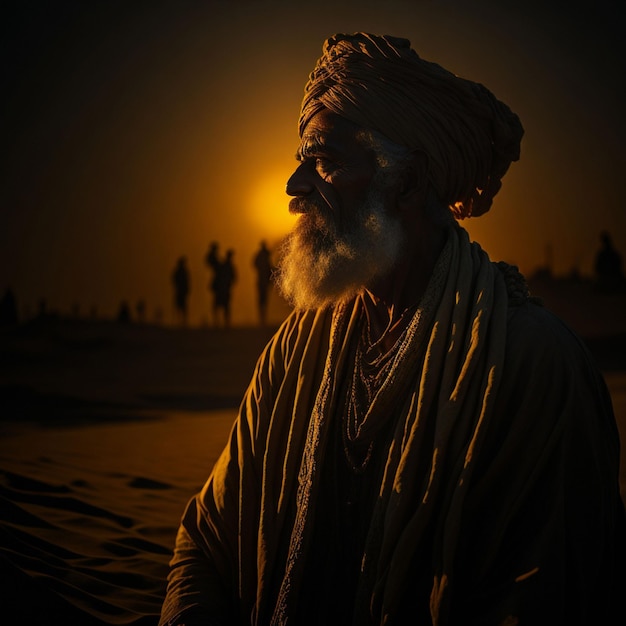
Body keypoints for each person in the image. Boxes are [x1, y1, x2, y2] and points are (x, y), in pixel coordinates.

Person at [160, 33, 626, 626]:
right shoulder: (294, 353)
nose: (295, 187)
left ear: (404, 182)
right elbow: (204, 544)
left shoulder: (530, 363)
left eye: (323, 160)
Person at [253, 240, 273, 326]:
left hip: (262, 281)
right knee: (263, 300)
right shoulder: (263, 257)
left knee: (262, 300)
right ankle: (262, 319)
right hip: (263, 281)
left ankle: (262, 318)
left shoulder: (261, 256)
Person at [172, 256, 191, 326]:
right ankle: (180, 321)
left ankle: (183, 321)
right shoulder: (180, 272)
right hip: (180, 291)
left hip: (182, 291)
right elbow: (174, 281)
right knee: (180, 306)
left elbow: (187, 282)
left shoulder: (183, 272)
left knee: (182, 307)